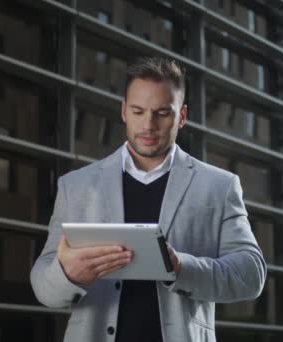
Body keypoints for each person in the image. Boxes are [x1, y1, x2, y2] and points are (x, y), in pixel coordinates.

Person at [30, 56, 266, 342]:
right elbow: (43, 288)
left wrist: (181, 267)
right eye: (138, 111)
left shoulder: (219, 186)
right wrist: (68, 274)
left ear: (182, 116)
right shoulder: (76, 186)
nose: (149, 125)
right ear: (124, 111)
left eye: (162, 113)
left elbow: (251, 274)